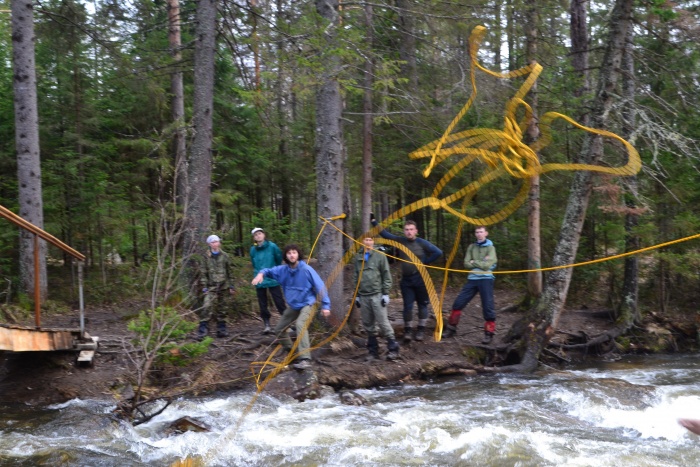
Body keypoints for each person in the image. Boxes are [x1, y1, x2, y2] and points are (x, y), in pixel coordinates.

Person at [251, 244, 331, 370]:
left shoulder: (306, 269)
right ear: (286, 256)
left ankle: (305, 359)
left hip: (308, 303)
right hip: (294, 305)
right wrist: (260, 274)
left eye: (294, 252)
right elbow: (268, 270)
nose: (292, 255)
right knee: (278, 329)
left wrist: (326, 305)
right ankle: (294, 354)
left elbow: (320, 286)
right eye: (289, 253)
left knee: (300, 324)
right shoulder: (283, 270)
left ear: (298, 254)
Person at [371, 214, 442, 343]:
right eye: (407, 229)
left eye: (411, 229)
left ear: (416, 231)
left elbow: (438, 252)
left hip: (422, 278)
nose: (409, 232)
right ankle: (408, 331)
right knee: (408, 306)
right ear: (404, 231)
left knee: (422, 305)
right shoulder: (400, 241)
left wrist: (425, 262)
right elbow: (386, 235)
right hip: (407, 280)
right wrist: (374, 222)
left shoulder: (421, 243)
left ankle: (421, 329)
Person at [442, 226, 497, 344]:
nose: (479, 234)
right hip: (472, 279)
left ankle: (489, 333)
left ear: (486, 233)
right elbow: (466, 264)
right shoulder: (471, 247)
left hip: (486, 279)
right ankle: (451, 328)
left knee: (488, 307)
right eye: (477, 232)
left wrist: (475, 262)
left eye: (481, 232)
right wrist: (481, 261)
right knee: (458, 303)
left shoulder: (491, 248)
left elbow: (488, 265)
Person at [352, 236, 400, 361]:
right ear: (362, 242)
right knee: (368, 324)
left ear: (373, 242)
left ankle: (393, 348)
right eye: (366, 240)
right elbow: (356, 278)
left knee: (383, 323)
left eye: (370, 240)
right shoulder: (358, 258)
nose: (368, 242)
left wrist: (385, 293)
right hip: (364, 296)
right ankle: (373, 351)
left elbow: (386, 275)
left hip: (377, 295)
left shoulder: (380, 256)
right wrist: (356, 296)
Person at [198, 234, 235, 340]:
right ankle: (203, 329)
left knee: (223, 308)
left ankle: (222, 329)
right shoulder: (205, 257)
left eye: (216, 241)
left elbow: (230, 271)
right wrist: (204, 286)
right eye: (212, 242)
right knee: (207, 306)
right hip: (210, 286)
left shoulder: (225, 256)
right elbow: (203, 272)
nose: (215, 244)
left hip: (224, 285)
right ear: (209, 244)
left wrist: (231, 285)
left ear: (219, 243)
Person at [250, 227, 286, 334]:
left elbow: (278, 259)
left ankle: (286, 323)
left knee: (279, 301)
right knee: (262, 303)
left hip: (273, 278)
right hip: (259, 279)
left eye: (260, 234)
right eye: (256, 235)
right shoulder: (253, 249)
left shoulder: (272, 246)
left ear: (264, 235)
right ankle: (266, 324)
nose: (258, 236)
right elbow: (253, 262)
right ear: (254, 238)